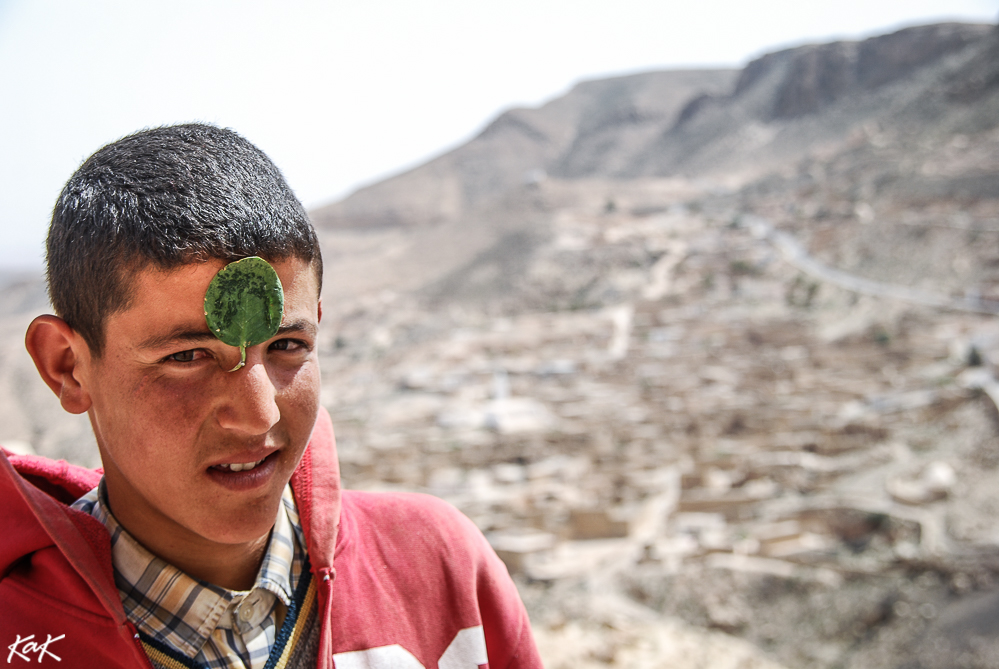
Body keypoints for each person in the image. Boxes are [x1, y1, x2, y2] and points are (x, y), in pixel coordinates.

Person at [0, 124, 542, 669]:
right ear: (67, 367)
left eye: (287, 345)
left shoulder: (438, 571)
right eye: (188, 356)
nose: (258, 415)